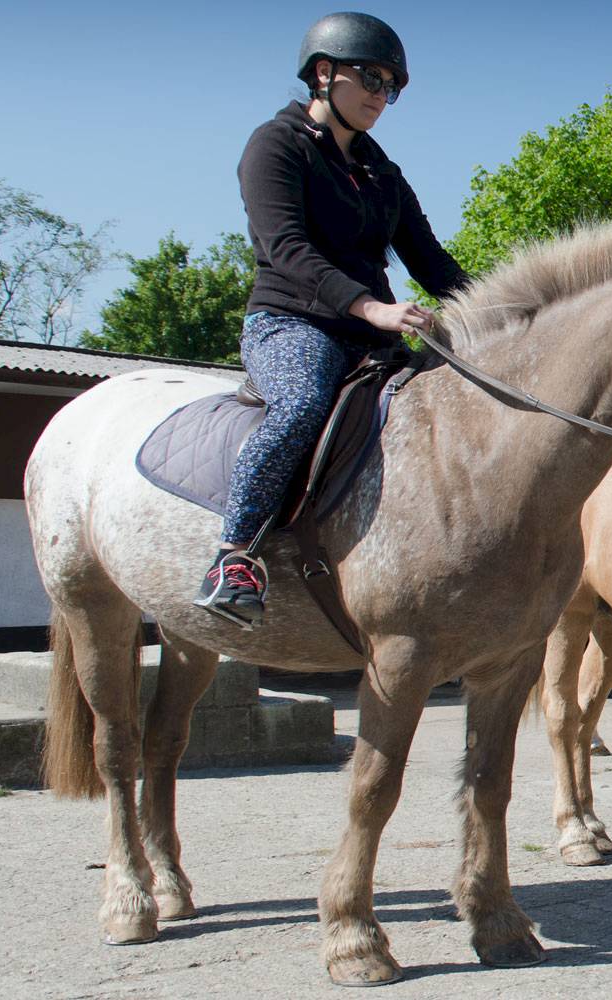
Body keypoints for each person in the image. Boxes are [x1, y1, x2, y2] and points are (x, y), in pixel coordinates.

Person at [194, 11, 470, 627]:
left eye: (391, 86)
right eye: (371, 77)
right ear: (324, 74)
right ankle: (233, 556)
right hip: (291, 323)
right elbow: (287, 249)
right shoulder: (274, 146)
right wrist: (373, 306)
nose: (381, 95)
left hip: (370, 335)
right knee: (301, 400)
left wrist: (504, 311)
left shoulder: (383, 172)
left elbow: (430, 260)